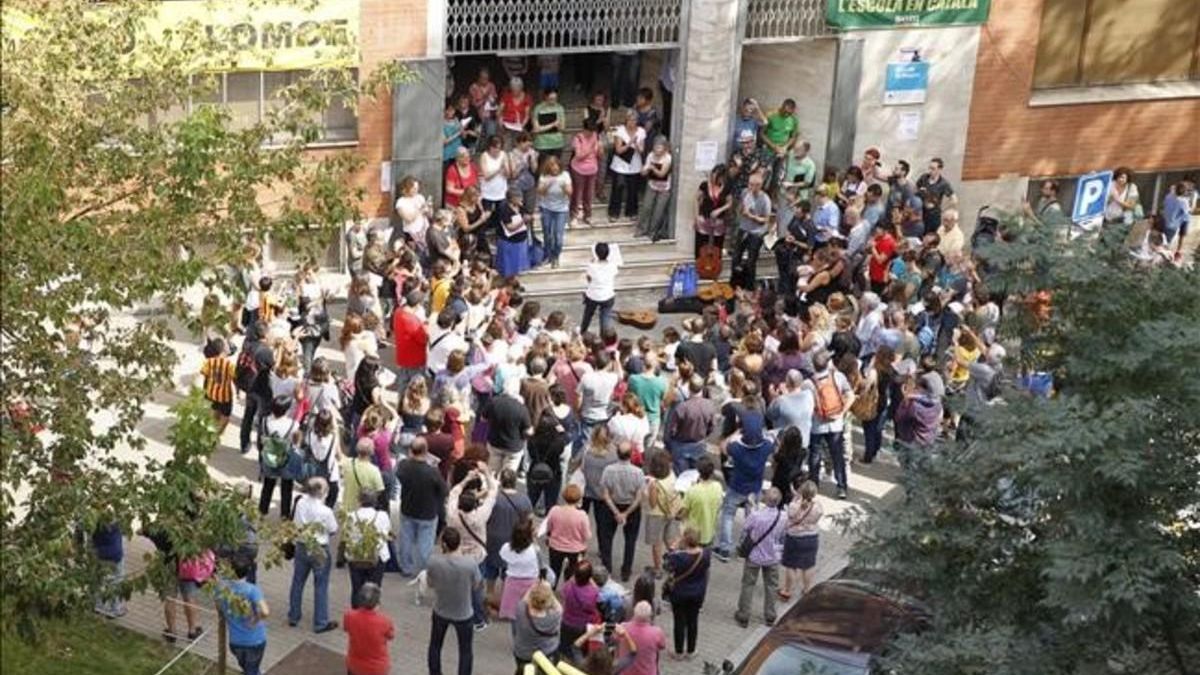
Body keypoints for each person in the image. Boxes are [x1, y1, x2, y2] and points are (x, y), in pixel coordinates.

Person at [715, 413, 775, 561]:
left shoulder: (737, 448)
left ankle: (725, 548)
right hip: (755, 489)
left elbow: (722, 447)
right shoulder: (766, 447)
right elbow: (772, 440)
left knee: (728, 515)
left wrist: (736, 431)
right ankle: (744, 549)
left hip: (736, 486)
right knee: (751, 518)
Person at [426, 528, 483, 675]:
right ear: (459, 543)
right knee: (465, 650)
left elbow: (430, 583)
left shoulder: (433, 561)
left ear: (444, 544)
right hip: (463, 612)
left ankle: (435, 672)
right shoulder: (469, 564)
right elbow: (477, 585)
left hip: (441, 609)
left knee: (435, 646)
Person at [287, 477, 339, 634]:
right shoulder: (326, 511)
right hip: (319, 548)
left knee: (297, 581)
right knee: (321, 585)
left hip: (302, 546)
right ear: (323, 492)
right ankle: (320, 622)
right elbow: (333, 529)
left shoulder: (300, 503)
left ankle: (293, 616)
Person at [733, 486, 787, 627]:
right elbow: (783, 536)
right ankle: (770, 615)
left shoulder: (756, 515)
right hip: (773, 557)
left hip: (754, 555)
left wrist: (750, 508)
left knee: (748, 585)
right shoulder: (783, 516)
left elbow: (746, 528)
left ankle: (744, 615)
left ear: (765, 499)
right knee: (771, 586)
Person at [396, 437, 448, 576]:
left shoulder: (403, 466)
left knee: (406, 540)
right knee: (425, 543)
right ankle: (423, 569)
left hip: (408, 508)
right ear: (426, 451)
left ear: (411, 451)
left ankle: (406, 567)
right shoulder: (432, 472)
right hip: (427, 511)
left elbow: (399, 475)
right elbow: (444, 490)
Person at [808, 351, 855, 500]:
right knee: (837, 456)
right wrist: (841, 412)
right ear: (827, 363)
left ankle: (812, 487)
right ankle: (842, 487)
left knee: (815, 455)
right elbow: (851, 396)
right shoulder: (838, 377)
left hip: (817, 424)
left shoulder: (808, 383)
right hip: (836, 424)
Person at [598, 442, 646, 582]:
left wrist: (616, 512)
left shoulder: (608, 470)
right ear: (631, 454)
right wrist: (626, 513)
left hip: (612, 505)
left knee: (607, 539)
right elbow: (639, 496)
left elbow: (605, 494)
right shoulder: (638, 472)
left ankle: (606, 569)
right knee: (630, 541)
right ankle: (626, 571)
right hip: (631, 507)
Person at [487, 469, 534, 609]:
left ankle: (489, 601)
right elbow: (530, 520)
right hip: (514, 541)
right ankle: (504, 602)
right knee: (509, 574)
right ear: (515, 483)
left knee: (490, 573)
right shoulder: (524, 499)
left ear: (501, 482)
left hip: (493, 540)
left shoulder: (494, 498)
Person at [215, 554, 269, 675]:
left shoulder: (221, 588)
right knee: (252, 669)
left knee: (248, 667)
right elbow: (265, 611)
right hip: (255, 640)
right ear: (248, 571)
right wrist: (255, 620)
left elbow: (218, 606)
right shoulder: (252, 590)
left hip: (236, 641)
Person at [664, 527, 712, 661]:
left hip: (679, 593)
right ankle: (691, 650)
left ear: (685, 539)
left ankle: (678, 652)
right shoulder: (706, 554)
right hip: (697, 593)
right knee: (693, 621)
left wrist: (673, 547)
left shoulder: (678, 557)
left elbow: (666, 566)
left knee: (679, 621)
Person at [344, 489, 390, 608]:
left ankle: (355, 613)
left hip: (355, 556)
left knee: (356, 587)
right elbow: (387, 532)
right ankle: (371, 613)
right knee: (374, 588)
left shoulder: (351, 516)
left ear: (359, 501)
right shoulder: (382, 516)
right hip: (377, 556)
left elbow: (346, 534)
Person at [237, 321, 275, 455]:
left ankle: (244, 443)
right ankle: (260, 446)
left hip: (249, 386)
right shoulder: (265, 351)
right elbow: (273, 366)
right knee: (262, 419)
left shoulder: (247, 345)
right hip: (262, 388)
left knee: (248, 415)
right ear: (264, 334)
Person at [780, 479, 822, 600]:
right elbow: (817, 515)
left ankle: (787, 590)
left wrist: (795, 499)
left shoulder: (794, 506)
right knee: (808, 565)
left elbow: (791, 515)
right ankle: (807, 589)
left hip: (794, 537)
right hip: (811, 537)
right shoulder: (818, 506)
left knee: (791, 565)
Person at [543, 483, 591, 588]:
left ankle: (551, 589)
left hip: (556, 546)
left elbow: (548, 528)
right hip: (575, 549)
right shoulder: (582, 515)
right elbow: (587, 536)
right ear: (579, 499)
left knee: (554, 570)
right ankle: (569, 591)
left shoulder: (554, 510)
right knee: (572, 572)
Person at [665, 375, 714, 475]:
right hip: (699, 444)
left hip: (681, 445)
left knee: (681, 476)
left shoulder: (682, 407)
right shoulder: (709, 405)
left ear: (689, 388)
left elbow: (672, 429)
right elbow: (711, 427)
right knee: (695, 474)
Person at [258, 395, 298, 518]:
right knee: (287, 488)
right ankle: (285, 514)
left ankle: (262, 511)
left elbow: (260, 440)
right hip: (286, 459)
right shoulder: (293, 424)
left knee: (268, 486)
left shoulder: (265, 421)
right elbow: (296, 442)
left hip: (269, 457)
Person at [482, 378, 532, 473]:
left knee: (492, 473)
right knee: (508, 476)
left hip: (495, 443)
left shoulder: (494, 402)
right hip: (514, 447)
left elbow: (483, 419)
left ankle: (493, 486)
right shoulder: (521, 408)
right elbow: (528, 430)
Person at [511, 581, 563, 673]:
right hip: (547, 654)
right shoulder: (554, 616)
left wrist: (533, 587)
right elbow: (559, 608)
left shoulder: (521, 610)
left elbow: (525, 598)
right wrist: (548, 590)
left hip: (523, 653)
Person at [343, 582, 394, 675]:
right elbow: (390, 636)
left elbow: (346, 628)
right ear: (378, 602)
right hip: (377, 668)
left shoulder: (349, 616)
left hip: (355, 665)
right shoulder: (385, 621)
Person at [732, 172, 772, 290]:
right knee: (736, 257)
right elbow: (739, 208)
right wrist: (740, 211)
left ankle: (749, 286)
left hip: (756, 232)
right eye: (749, 184)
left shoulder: (765, 199)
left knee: (751, 260)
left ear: (759, 186)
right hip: (743, 228)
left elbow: (766, 219)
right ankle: (735, 283)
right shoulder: (745, 193)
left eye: (753, 185)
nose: (750, 188)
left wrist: (751, 216)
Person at [498, 517, 541, 620]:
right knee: (529, 612)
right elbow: (541, 565)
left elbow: (502, 556)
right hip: (530, 582)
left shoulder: (506, 548)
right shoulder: (534, 550)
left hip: (512, 581)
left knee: (513, 613)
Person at [559, 560, 601, 662]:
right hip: (583, 625)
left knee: (565, 647)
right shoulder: (592, 592)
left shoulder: (569, 587)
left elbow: (561, 592)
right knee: (580, 649)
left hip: (567, 622)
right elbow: (598, 596)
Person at [679, 456, 723, 548]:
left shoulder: (692, 491)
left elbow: (684, 513)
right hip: (709, 533)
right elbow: (719, 506)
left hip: (693, 535)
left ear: (698, 473)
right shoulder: (718, 487)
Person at [608, 110, 646, 220]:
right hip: (620, 165)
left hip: (635, 165)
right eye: (630, 120)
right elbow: (618, 150)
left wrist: (637, 145)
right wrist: (630, 143)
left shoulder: (641, 131)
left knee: (633, 190)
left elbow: (642, 150)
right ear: (626, 120)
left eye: (634, 120)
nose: (632, 122)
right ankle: (614, 213)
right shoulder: (620, 131)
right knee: (617, 188)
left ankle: (632, 212)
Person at [537, 155, 572, 268]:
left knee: (558, 237)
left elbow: (570, 192)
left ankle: (556, 256)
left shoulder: (565, 175)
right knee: (547, 234)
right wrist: (547, 185)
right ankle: (548, 255)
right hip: (546, 208)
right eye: (552, 166)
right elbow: (540, 192)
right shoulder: (544, 176)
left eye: (556, 165)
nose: (555, 168)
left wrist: (564, 188)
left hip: (561, 209)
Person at [198, 336, 236, 439]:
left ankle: (211, 431)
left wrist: (205, 391)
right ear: (223, 350)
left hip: (211, 393)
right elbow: (234, 378)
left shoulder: (208, 362)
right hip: (225, 396)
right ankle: (218, 433)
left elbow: (205, 376)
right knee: (225, 417)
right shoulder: (229, 365)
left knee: (214, 412)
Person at [637, 136, 673, 242]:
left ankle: (652, 231)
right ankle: (642, 229)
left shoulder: (667, 158)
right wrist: (644, 170)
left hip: (664, 188)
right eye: (655, 147)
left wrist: (652, 168)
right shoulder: (650, 155)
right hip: (652, 184)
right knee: (646, 207)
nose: (657, 150)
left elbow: (662, 174)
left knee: (658, 211)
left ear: (665, 148)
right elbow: (644, 169)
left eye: (660, 147)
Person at [695, 164, 734, 259]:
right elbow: (696, 199)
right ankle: (700, 267)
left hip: (719, 221)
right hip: (704, 218)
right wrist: (696, 216)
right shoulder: (704, 185)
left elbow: (729, 203)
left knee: (717, 245)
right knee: (701, 245)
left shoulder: (726, 188)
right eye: (713, 175)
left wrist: (720, 210)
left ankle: (715, 268)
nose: (714, 178)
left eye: (718, 177)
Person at [581, 242, 620, 335]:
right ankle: (603, 336)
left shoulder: (591, 266)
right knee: (605, 316)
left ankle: (583, 331)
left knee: (588, 314)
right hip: (607, 295)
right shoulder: (612, 266)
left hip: (592, 295)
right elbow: (614, 274)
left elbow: (588, 278)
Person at [491, 188, 531, 279]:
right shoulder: (504, 209)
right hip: (508, 241)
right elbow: (510, 228)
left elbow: (527, 215)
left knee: (519, 266)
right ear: (512, 198)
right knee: (508, 267)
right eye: (518, 197)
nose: (521, 199)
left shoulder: (521, 207)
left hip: (521, 240)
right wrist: (523, 221)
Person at [569, 119, 602, 225]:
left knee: (589, 194)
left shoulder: (595, 135)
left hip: (592, 169)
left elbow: (598, 155)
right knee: (577, 193)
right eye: (589, 131)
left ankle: (587, 215)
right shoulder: (578, 138)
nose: (591, 133)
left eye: (592, 131)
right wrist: (591, 148)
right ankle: (574, 215)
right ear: (584, 129)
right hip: (578, 169)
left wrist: (600, 148)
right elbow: (578, 156)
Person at [916, 157, 956, 235]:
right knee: (920, 236)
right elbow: (916, 188)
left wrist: (941, 208)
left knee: (931, 237)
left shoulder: (943, 183)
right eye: (930, 168)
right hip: (921, 213)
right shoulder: (924, 178)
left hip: (933, 217)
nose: (930, 171)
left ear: (939, 170)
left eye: (933, 169)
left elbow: (954, 199)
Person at [532, 87, 566, 163]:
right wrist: (553, 124)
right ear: (546, 97)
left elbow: (562, 128)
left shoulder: (559, 108)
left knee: (555, 167)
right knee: (543, 167)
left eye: (555, 99)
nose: (553, 101)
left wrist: (544, 127)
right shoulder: (538, 108)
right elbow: (536, 129)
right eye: (551, 99)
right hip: (542, 144)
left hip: (557, 143)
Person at [478, 135, 511, 212]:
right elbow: (486, 176)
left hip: (501, 192)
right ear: (489, 147)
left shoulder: (503, 154)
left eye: (499, 148)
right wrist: (499, 169)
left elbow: (508, 175)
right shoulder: (484, 156)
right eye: (494, 148)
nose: (496, 150)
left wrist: (506, 169)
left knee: (500, 215)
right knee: (488, 215)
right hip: (488, 192)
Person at [498, 76, 531, 140]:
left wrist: (522, 126)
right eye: (513, 90)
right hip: (507, 126)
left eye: (517, 90)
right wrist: (500, 121)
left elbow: (527, 115)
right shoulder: (506, 96)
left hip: (519, 126)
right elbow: (499, 111)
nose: (515, 92)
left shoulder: (527, 98)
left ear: (521, 88)